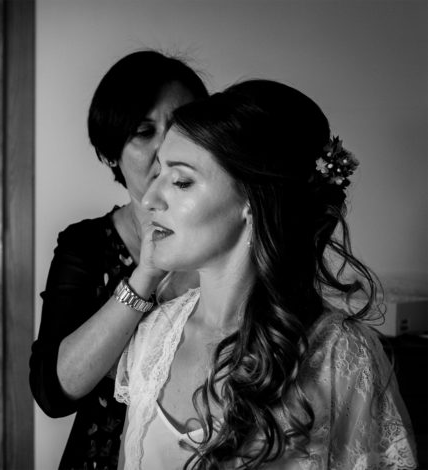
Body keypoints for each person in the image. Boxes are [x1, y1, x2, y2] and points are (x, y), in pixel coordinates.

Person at [114, 79, 418, 469]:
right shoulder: (154, 338)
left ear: (251, 200)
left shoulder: (341, 358)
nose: (150, 198)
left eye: (181, 180)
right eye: (157, 175)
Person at [29, 50, 208, 470]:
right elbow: (53, 395)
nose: (167, 147)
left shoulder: (232, 237)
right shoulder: (87, 246)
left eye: (182, 126)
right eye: (144, 132)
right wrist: (144, 277)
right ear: (110, 153)